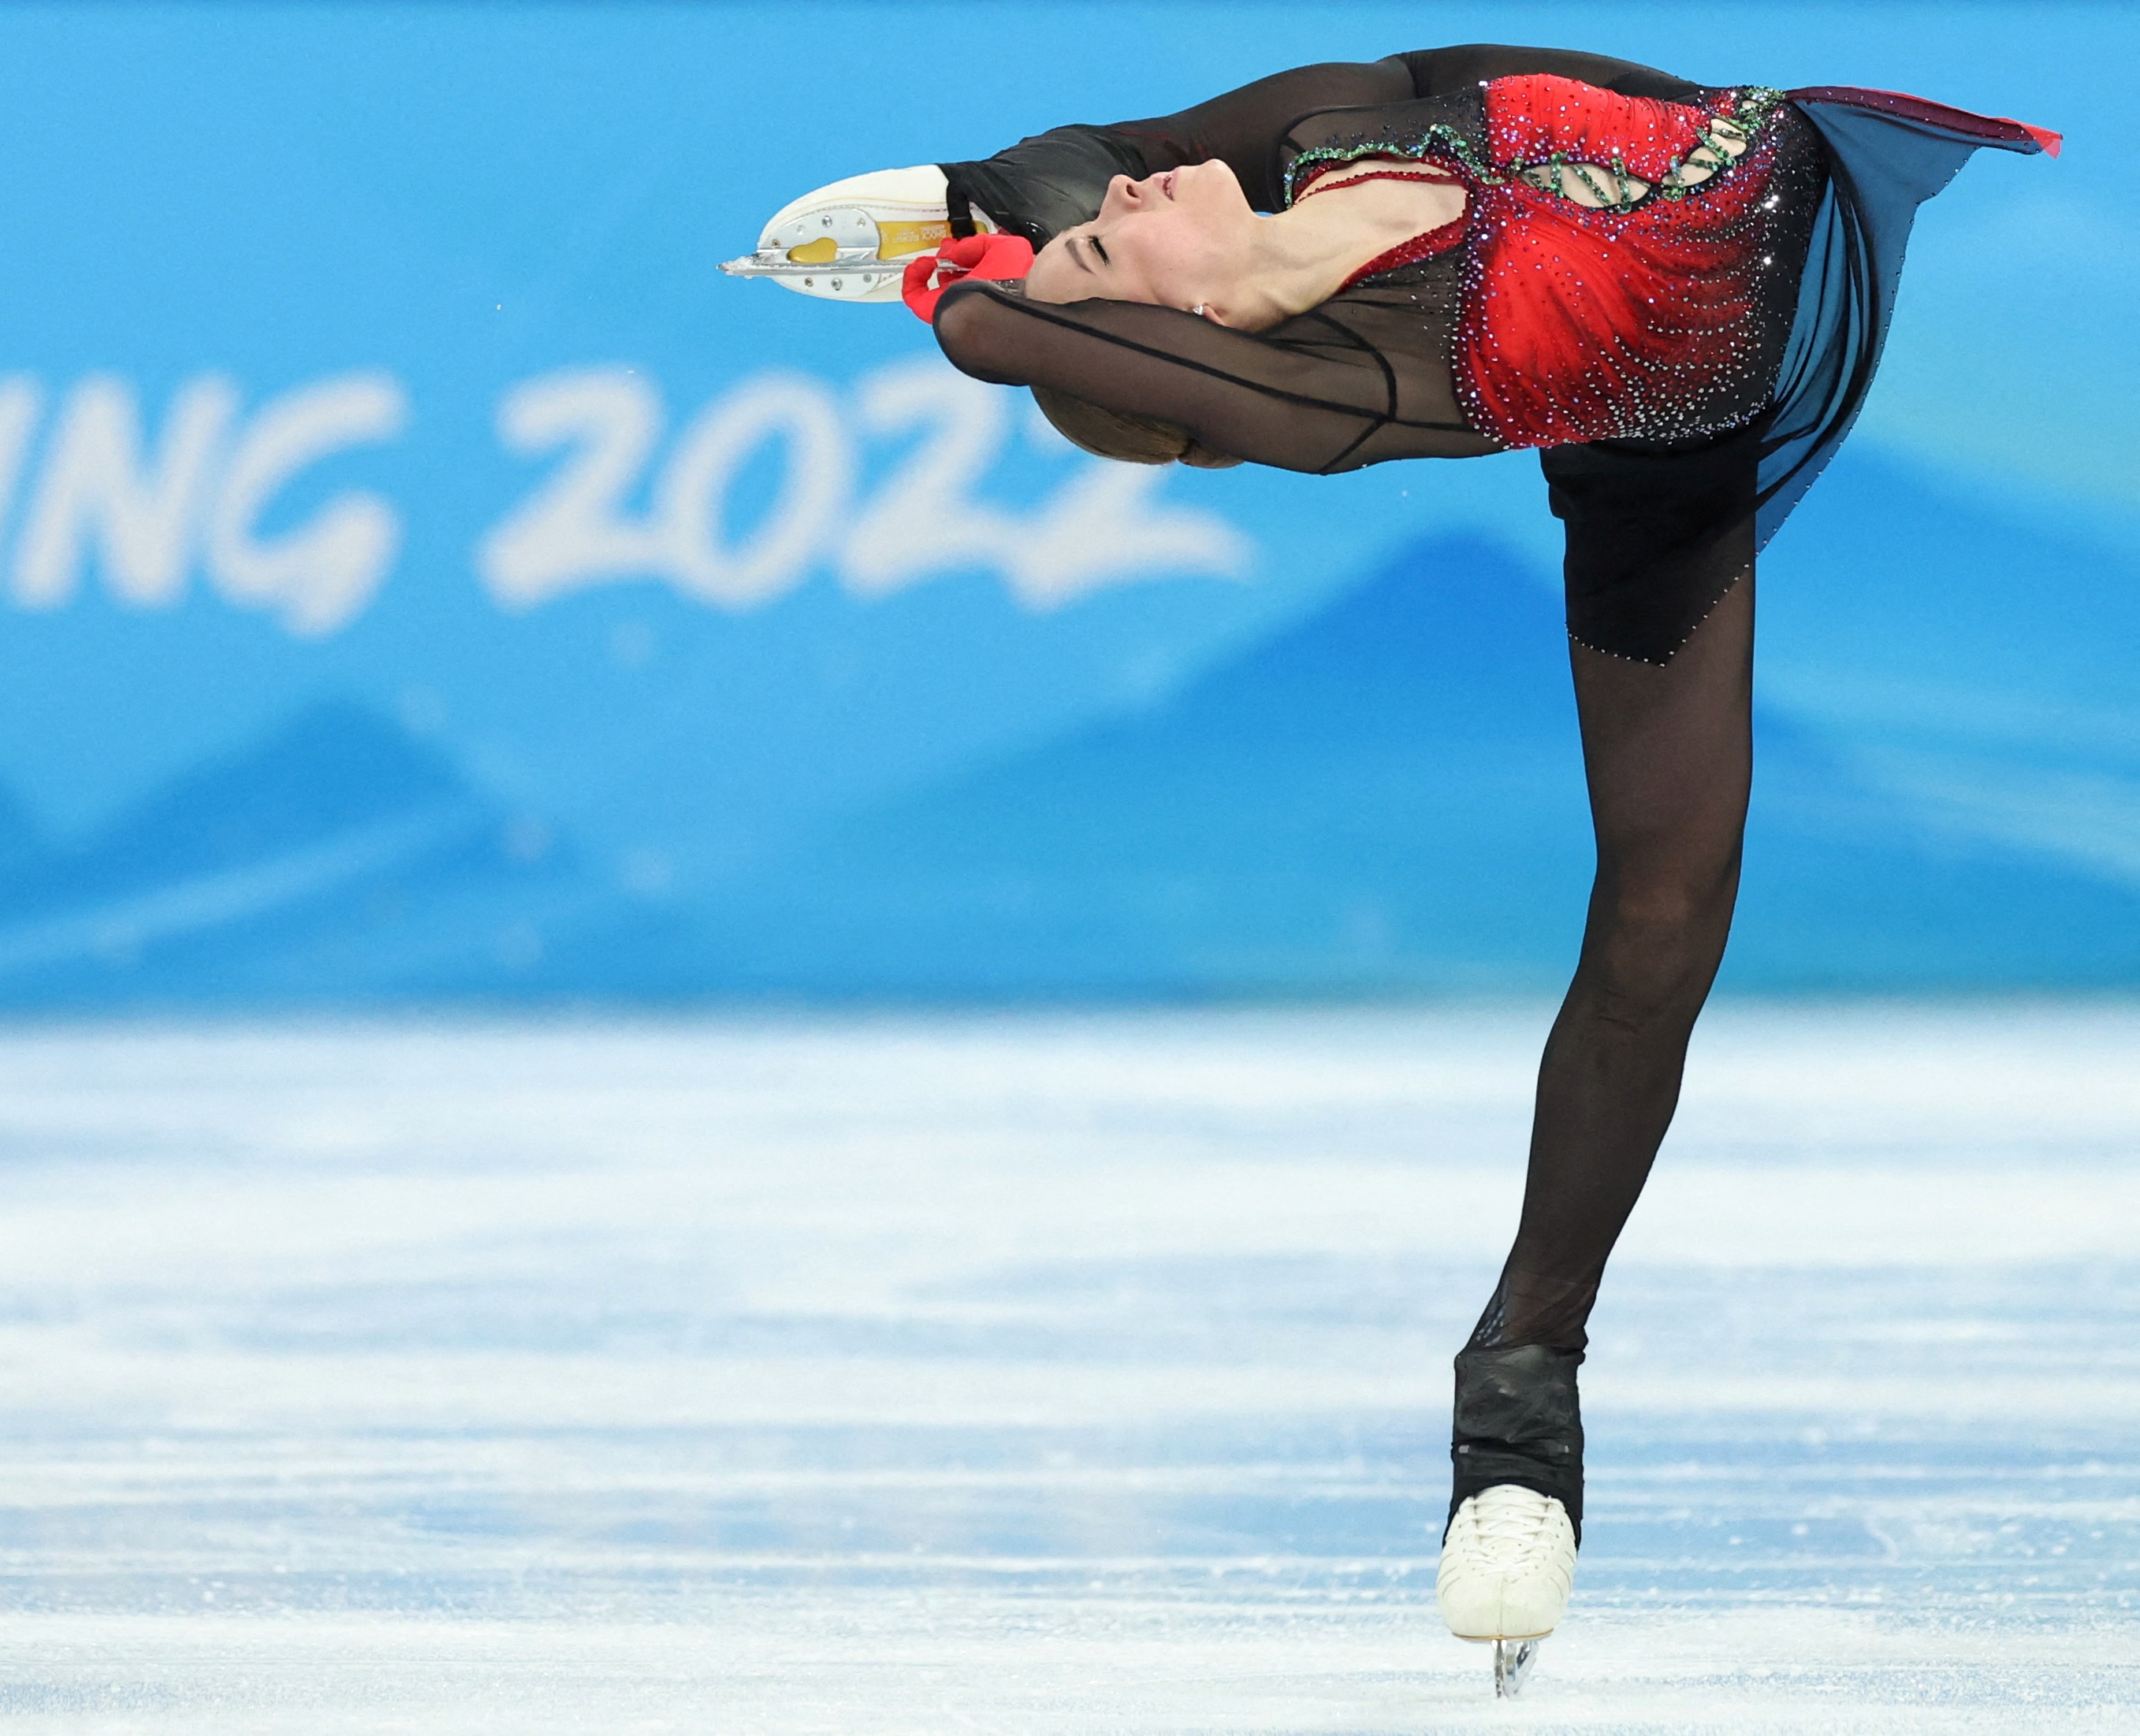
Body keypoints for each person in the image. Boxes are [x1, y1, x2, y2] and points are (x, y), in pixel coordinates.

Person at [839, 44, 2053, 1692]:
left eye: (1106, 224)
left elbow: (1109, 149)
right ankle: (1521, 1402)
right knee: (1663, 912)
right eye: (1115, 247)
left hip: (1788, 166)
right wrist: (954, 286)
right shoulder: (1355, 390)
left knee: (1665, 906)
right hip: (1670, 455)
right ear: (1196, 340)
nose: (1127, 201)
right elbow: (1001, 326)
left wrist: (973, 194)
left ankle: (1522, 1389)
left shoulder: (1343, 131)